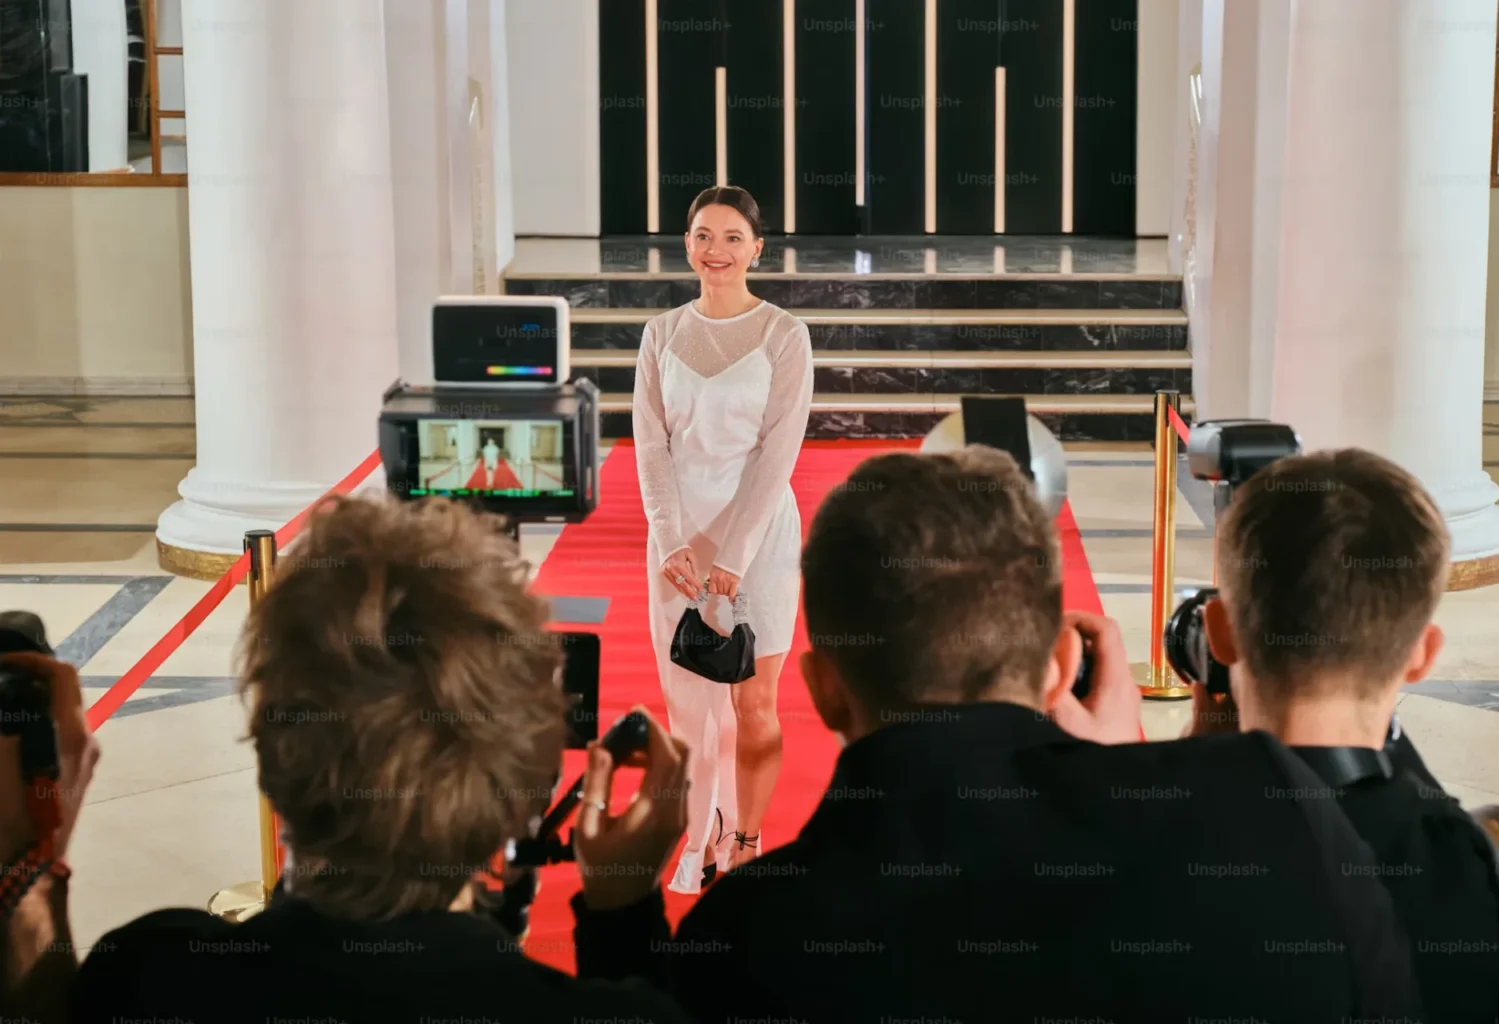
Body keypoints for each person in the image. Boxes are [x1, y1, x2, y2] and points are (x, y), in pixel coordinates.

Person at [570, 445, 1425, 1023]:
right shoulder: (1264, 818)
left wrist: (619, 911)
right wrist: (1133, 781)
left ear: (822, 688)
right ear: (1062, 661)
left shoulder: (748, 934)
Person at [0, 496, 691, 1024]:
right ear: (533, 783)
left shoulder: (150, 978)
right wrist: (623, 909)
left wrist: (30, 855)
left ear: (273, 752)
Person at [1193, 448, 1499, 1022]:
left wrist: (1196, 758)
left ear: (1218, 634)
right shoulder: (1487, 877)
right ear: (1422, 655)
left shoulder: (1127, 839)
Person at [633, 184, 813, 892]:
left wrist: (734, 558)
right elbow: (650, 446)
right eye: (704, 236)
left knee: (752, 702)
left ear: (757, 249)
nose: (717, 251)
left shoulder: (783, 335)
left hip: (759, 535)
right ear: (686, 246)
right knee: (687, 707)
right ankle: (699, 830)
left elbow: (778, 454)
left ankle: (745, 835)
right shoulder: (661, 334)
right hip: (675, 539)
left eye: (733, 237)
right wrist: (671, 539)